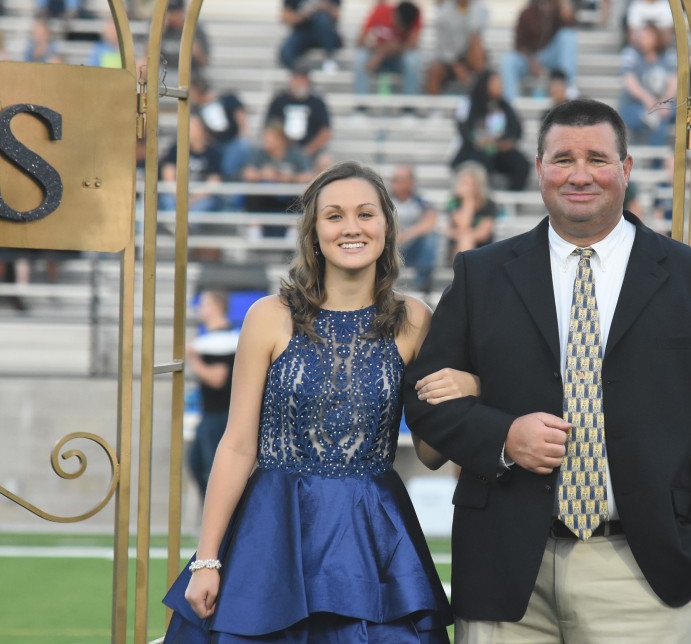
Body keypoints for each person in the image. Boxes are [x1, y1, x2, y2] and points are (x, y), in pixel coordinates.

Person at [403, 99, 691, 642]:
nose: (580, 175)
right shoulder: (483, 274)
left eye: (598, 159)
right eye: (563, 159)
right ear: (540, 169)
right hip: (505, 568)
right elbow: (424, 401)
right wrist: (504, 437)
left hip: (643, 573)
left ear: (627, 169)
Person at [163, 161, 480, 642]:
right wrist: (207, 559)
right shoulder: (268, 316)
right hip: (272, 531)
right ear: (313, 232)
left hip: (372, 533)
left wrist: (468, 389)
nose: (351, 227)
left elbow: (433, 454)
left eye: (365, 214)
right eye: (334, 216)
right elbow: (237, 444)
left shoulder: (415, 318)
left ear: (387, 227)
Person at [185, 289, 239, 500]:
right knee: (196, 464)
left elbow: (218, 379)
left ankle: (219, 525)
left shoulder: (226, 340)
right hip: (209, 413)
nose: (200, 309)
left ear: (216, 307)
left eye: (204, 304)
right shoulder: (210, 340)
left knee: (212, 471)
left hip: (220, 415)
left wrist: (194, 361)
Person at [500, 0, 578, 104]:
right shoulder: (527, 13)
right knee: (507, 60)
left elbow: (571, 24)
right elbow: (519, 45)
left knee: (567, 36)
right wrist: (531, 62)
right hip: (529, 58)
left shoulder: (560, 11)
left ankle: (567, 88)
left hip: (550, 57)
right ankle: (510, 105)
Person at [452, 69, 532, 191]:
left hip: (499, 151)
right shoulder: (469, 102)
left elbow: (516, 130)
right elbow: (464, 128)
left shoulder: (504, 105)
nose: (500, 87)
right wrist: (478, 141)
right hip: (475, 150)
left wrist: (505, 143)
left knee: (522, 164)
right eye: (496, 83)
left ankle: (512, 200)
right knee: (481, 163)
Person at [425, 0, 489, 96]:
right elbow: (442, 46)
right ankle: (434, 110)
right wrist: (455, 65)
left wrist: (473, 2)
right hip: (448, 59)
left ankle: (482, 97)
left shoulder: (476, 7)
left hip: (469, 57)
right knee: (434, 70)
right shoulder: (445, 11)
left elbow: (475, 29)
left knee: (476, 43)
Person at [618, 22, 677, 147]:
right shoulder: (631, 53)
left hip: (663, 105)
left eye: (646, 36)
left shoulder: (668, 55)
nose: (642, 39)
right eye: (641, 35)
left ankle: (656, 161)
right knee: (640, 116)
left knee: (662, 116)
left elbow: (673, 84)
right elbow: (630, 82)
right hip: (637, 105)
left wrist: (661, 104)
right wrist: (648, 100)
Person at [353, 0, 423, 97]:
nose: (400, 29)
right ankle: (360, 104)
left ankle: (409, 106)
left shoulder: (414, 14)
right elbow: (360, 40)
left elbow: (412, 44)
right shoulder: (380, 10)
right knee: (360, 58)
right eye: (400, 25)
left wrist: (383, 53)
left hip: (397, 58)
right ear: (395, 14)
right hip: (375, 55)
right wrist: (380, 51)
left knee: (412, 60)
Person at [264, 67, 333, 166]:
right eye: (296, 79)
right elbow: (269, 127)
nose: (299, 83)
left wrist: (308, 150)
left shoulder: (317, 103)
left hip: (310, 149)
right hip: (282, 149)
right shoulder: (279, 101)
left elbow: (326, 131)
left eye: (302, 79)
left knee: (325, 161)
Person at [390, 165, 439, 293]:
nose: (395, 183)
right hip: (391, 247)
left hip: (412, 248)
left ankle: (422, 281)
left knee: (431, 237)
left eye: (399, 179)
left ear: (410, 182)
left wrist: (407, 234)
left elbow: (431, 221)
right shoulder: (386, 201)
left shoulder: (420, 201)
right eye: (394, 179)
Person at [279, 0, 343, 71]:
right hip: (302, 30)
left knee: (322, 19)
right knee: (285, 52)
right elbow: (284, 16)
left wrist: (325, 6)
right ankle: (300, 73)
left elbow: (337, 15)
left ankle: (329, 58)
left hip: (323, 32)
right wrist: (302, 15)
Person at [445, 160, 498, 260]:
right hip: (456, 248)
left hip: (482, 248)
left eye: (469, 184)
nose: (465, 187)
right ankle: (464, 270)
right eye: (463, 183)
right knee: (465, 241)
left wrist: (460, 234)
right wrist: (467, 201)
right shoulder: (454, 202)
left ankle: (464, 271)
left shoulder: (488, 204)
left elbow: (483, 234)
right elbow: (463, 224)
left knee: (466, 239)